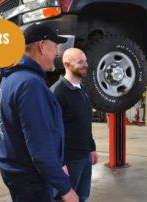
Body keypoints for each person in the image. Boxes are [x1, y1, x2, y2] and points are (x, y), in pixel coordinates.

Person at [0, 24, 79, 202]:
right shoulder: (30, 84)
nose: (57, 52)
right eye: (55, 46)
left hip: (16, 172)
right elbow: (40, 146)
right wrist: (65, 188)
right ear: (42, 46)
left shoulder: (10, 78)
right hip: (31, 178)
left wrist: (58, 164)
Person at [51, 48, 98, 202]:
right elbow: (51, 133)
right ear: (66, 64)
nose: (85, 65)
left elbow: (85, 122)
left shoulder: (83, 89)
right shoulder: (57, 93)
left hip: (84, 157)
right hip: (69, 160)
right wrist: (60, 163)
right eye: (80, 62)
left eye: (85, 61)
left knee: (82, 197)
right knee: (63, 199)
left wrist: (92, 148)